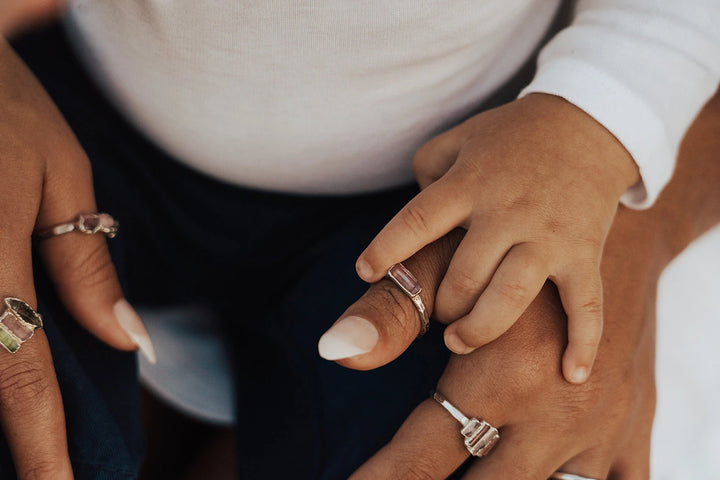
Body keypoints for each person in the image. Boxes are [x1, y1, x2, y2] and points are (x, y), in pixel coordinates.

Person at [0, 1, 718, 479]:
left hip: (450, 181)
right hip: (78, 125)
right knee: (37, 437)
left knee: (444, 449)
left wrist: (597, 115)